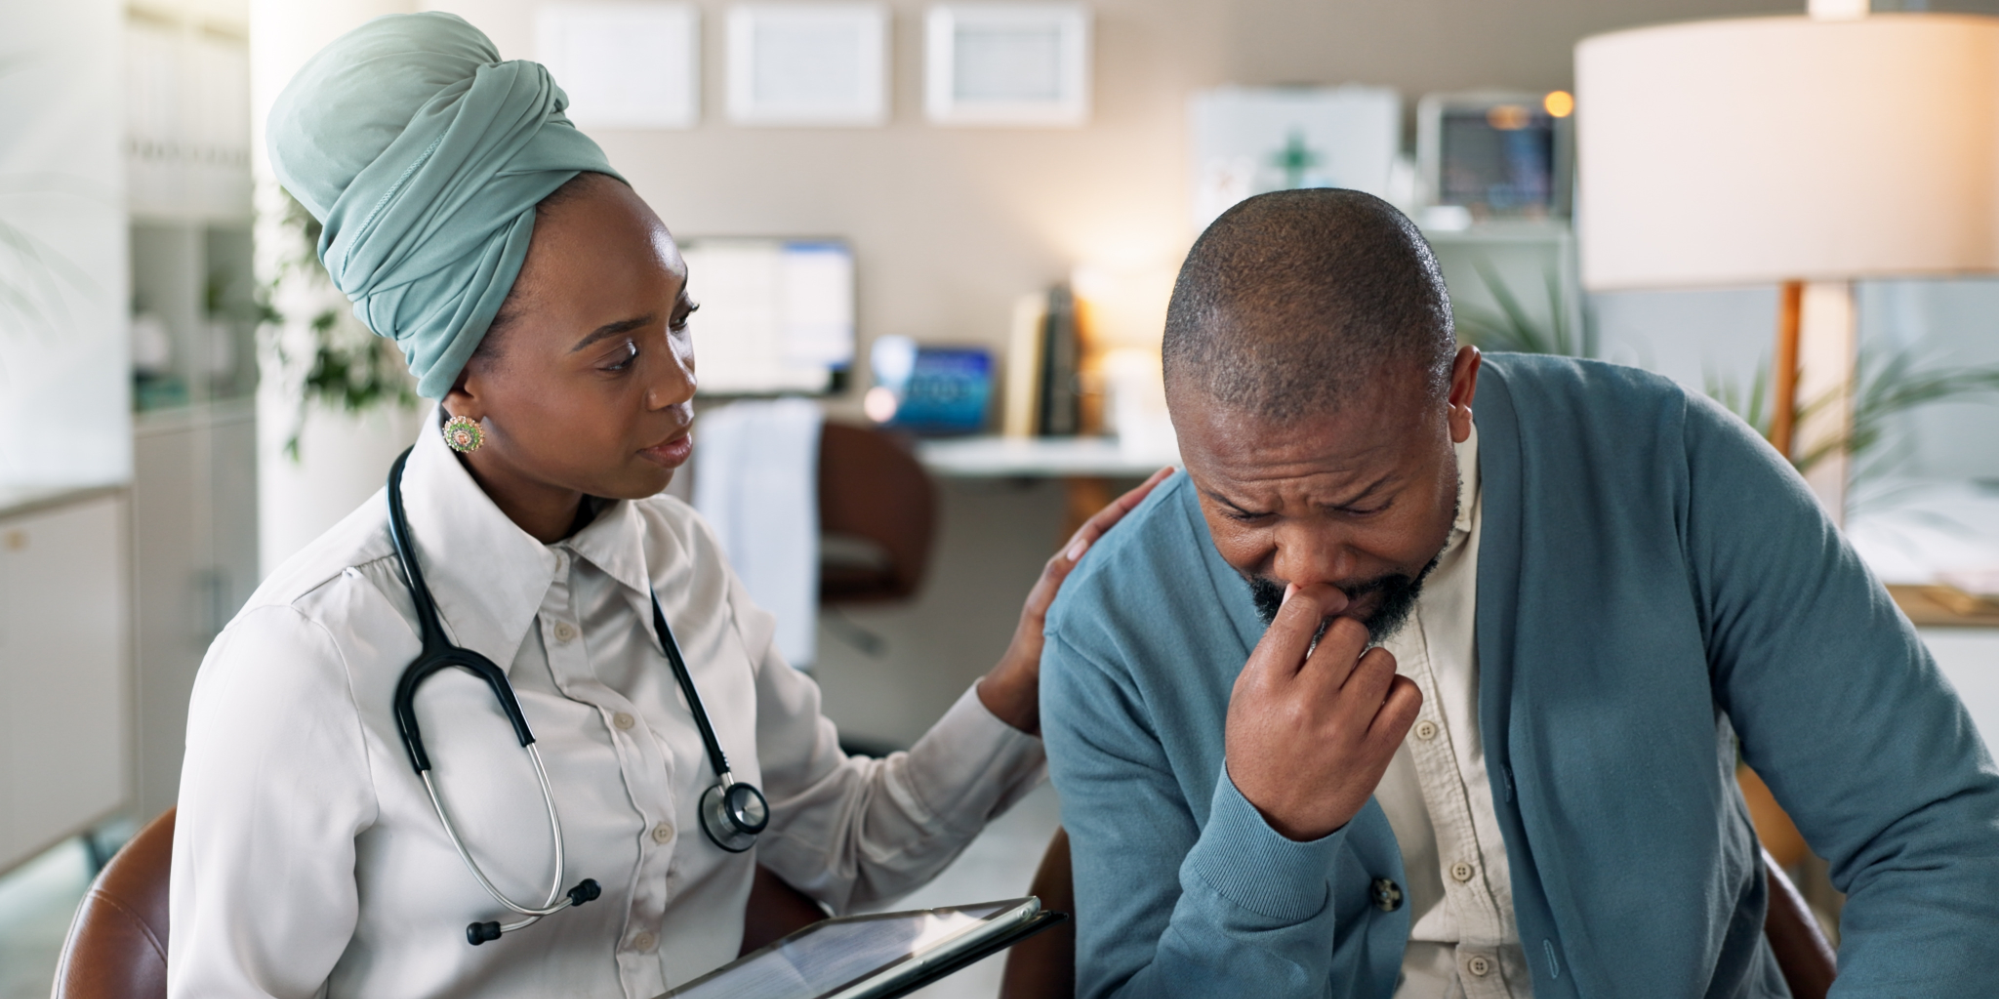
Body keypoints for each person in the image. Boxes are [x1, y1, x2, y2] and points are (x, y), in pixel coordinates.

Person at [167, 13, 1165, 997]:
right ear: (464, 380)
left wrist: (1027, 672)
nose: (679, 381)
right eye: (617, 354)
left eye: (679, 319)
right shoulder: (303, 661)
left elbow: (854, 850)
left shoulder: (680, 563)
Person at [1040, 189, 1999, 997]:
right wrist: (1267, 835)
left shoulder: (1675, 472)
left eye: (1362, 502)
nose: (1305, 568)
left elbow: (1935, 834)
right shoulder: (1109, 636)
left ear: (1455, 389)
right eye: (1243, 511)